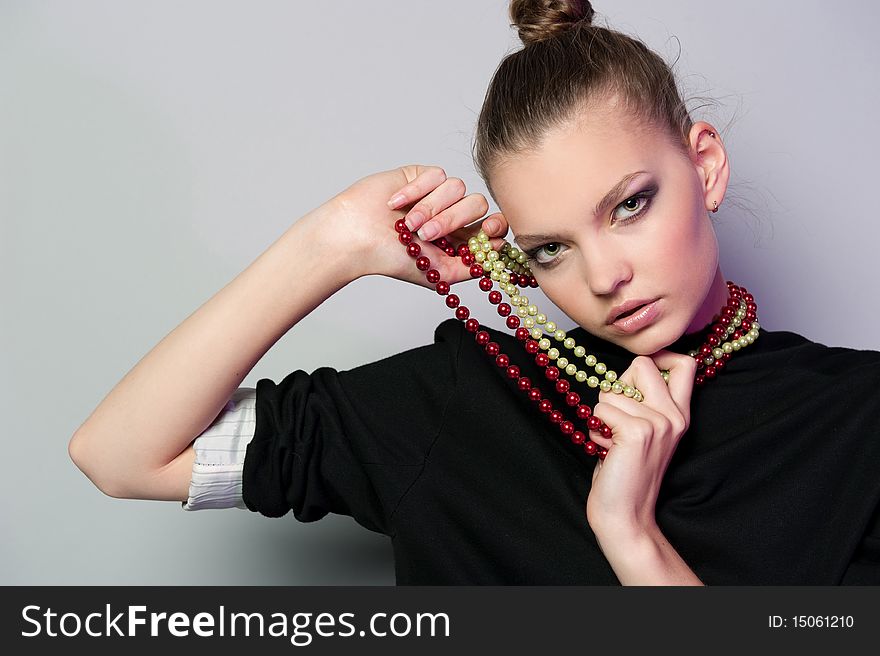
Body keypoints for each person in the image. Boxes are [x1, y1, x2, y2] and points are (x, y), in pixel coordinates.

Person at [68, 0, 880, 585]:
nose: (602, 278)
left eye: (629, 205)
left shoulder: (858, 419)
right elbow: (120, 456)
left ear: (704, 166)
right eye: (551, 248)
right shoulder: (464, 399)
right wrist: (334, 244)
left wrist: (630, 537)